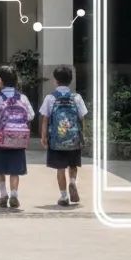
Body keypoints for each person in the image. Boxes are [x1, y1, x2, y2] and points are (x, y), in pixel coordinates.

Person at [0, 64, 34, 209]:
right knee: (15, 170)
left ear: (0, 81)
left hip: (0, 139)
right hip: (18, 139)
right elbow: (30, 115)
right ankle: (14, 195)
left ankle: (3, 195)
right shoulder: (23, 97)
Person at [39, 65, 88, 207]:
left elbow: (45, 119)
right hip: (73, 139)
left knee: (60, 169)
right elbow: (82, 118)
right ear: (70, 80)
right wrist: (82, 135)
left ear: (55, 80)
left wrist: (43, 137)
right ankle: (72, 182)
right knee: (73, 165)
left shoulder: (50, 98)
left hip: (56, 140)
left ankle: (64, 196)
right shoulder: (76, 97)